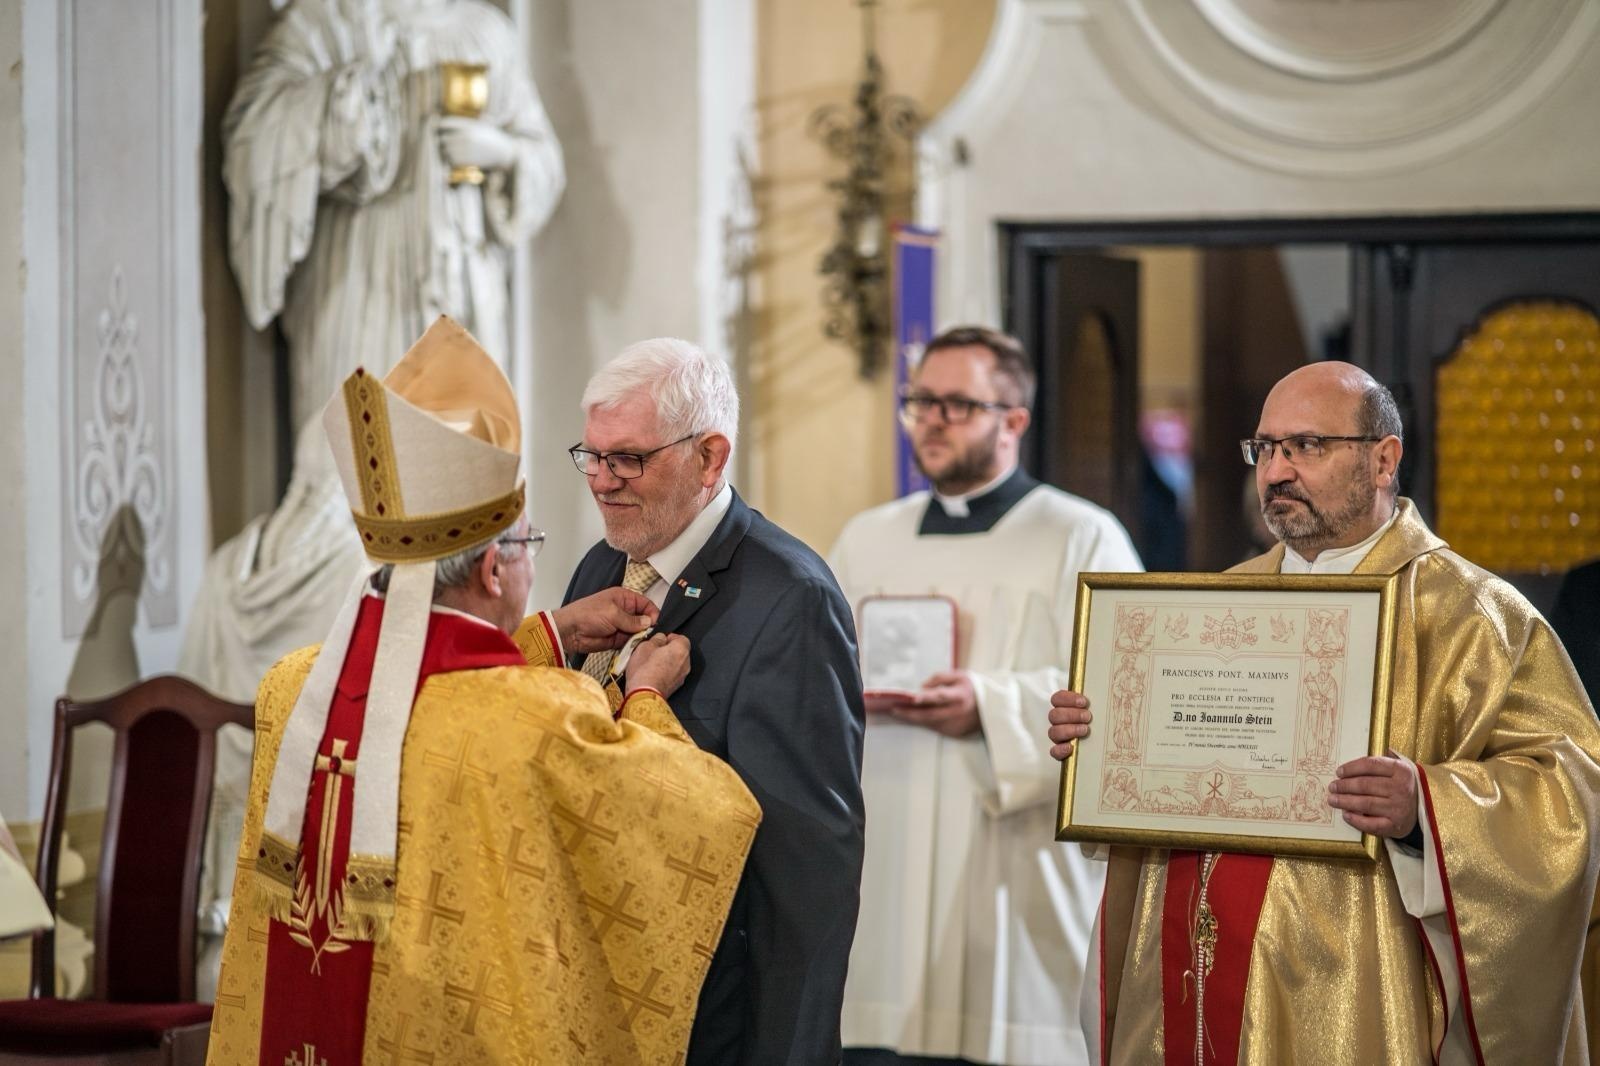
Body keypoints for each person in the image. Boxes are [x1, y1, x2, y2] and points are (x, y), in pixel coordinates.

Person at [207, 318, 761, 1064]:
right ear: (494, 571)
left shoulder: (294, 689)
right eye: (525, 546)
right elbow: (706, 813)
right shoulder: (544, 715)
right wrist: (646, 697)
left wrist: (551, 634)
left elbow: (424, 675)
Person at [1046, 361, 1600, 1064]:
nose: (1276, 471)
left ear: (1382, 460)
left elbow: (1570, 791)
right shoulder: (1210, 606)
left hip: (1358, 988)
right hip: (1197, 963)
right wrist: (1097, 746)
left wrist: (1427, 809)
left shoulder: (1472, 615)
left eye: (1306, 446)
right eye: (1264, 449)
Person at [828, 326, 1142, 1066]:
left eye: (956, 404)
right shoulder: (865, 540)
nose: (931, 419)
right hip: (888, 851)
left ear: (1014, 420)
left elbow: (1125, 699)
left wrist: (993, 706)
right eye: (920, 402)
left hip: (1013, 856)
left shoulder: (1082, 538)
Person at [563, 338, 866, 1065]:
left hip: (712, 1017)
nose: (602, 482)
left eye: (630, 458)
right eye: (592, 456)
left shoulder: (790, 597)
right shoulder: (604, 562)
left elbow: (806, 878)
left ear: (710, 457)